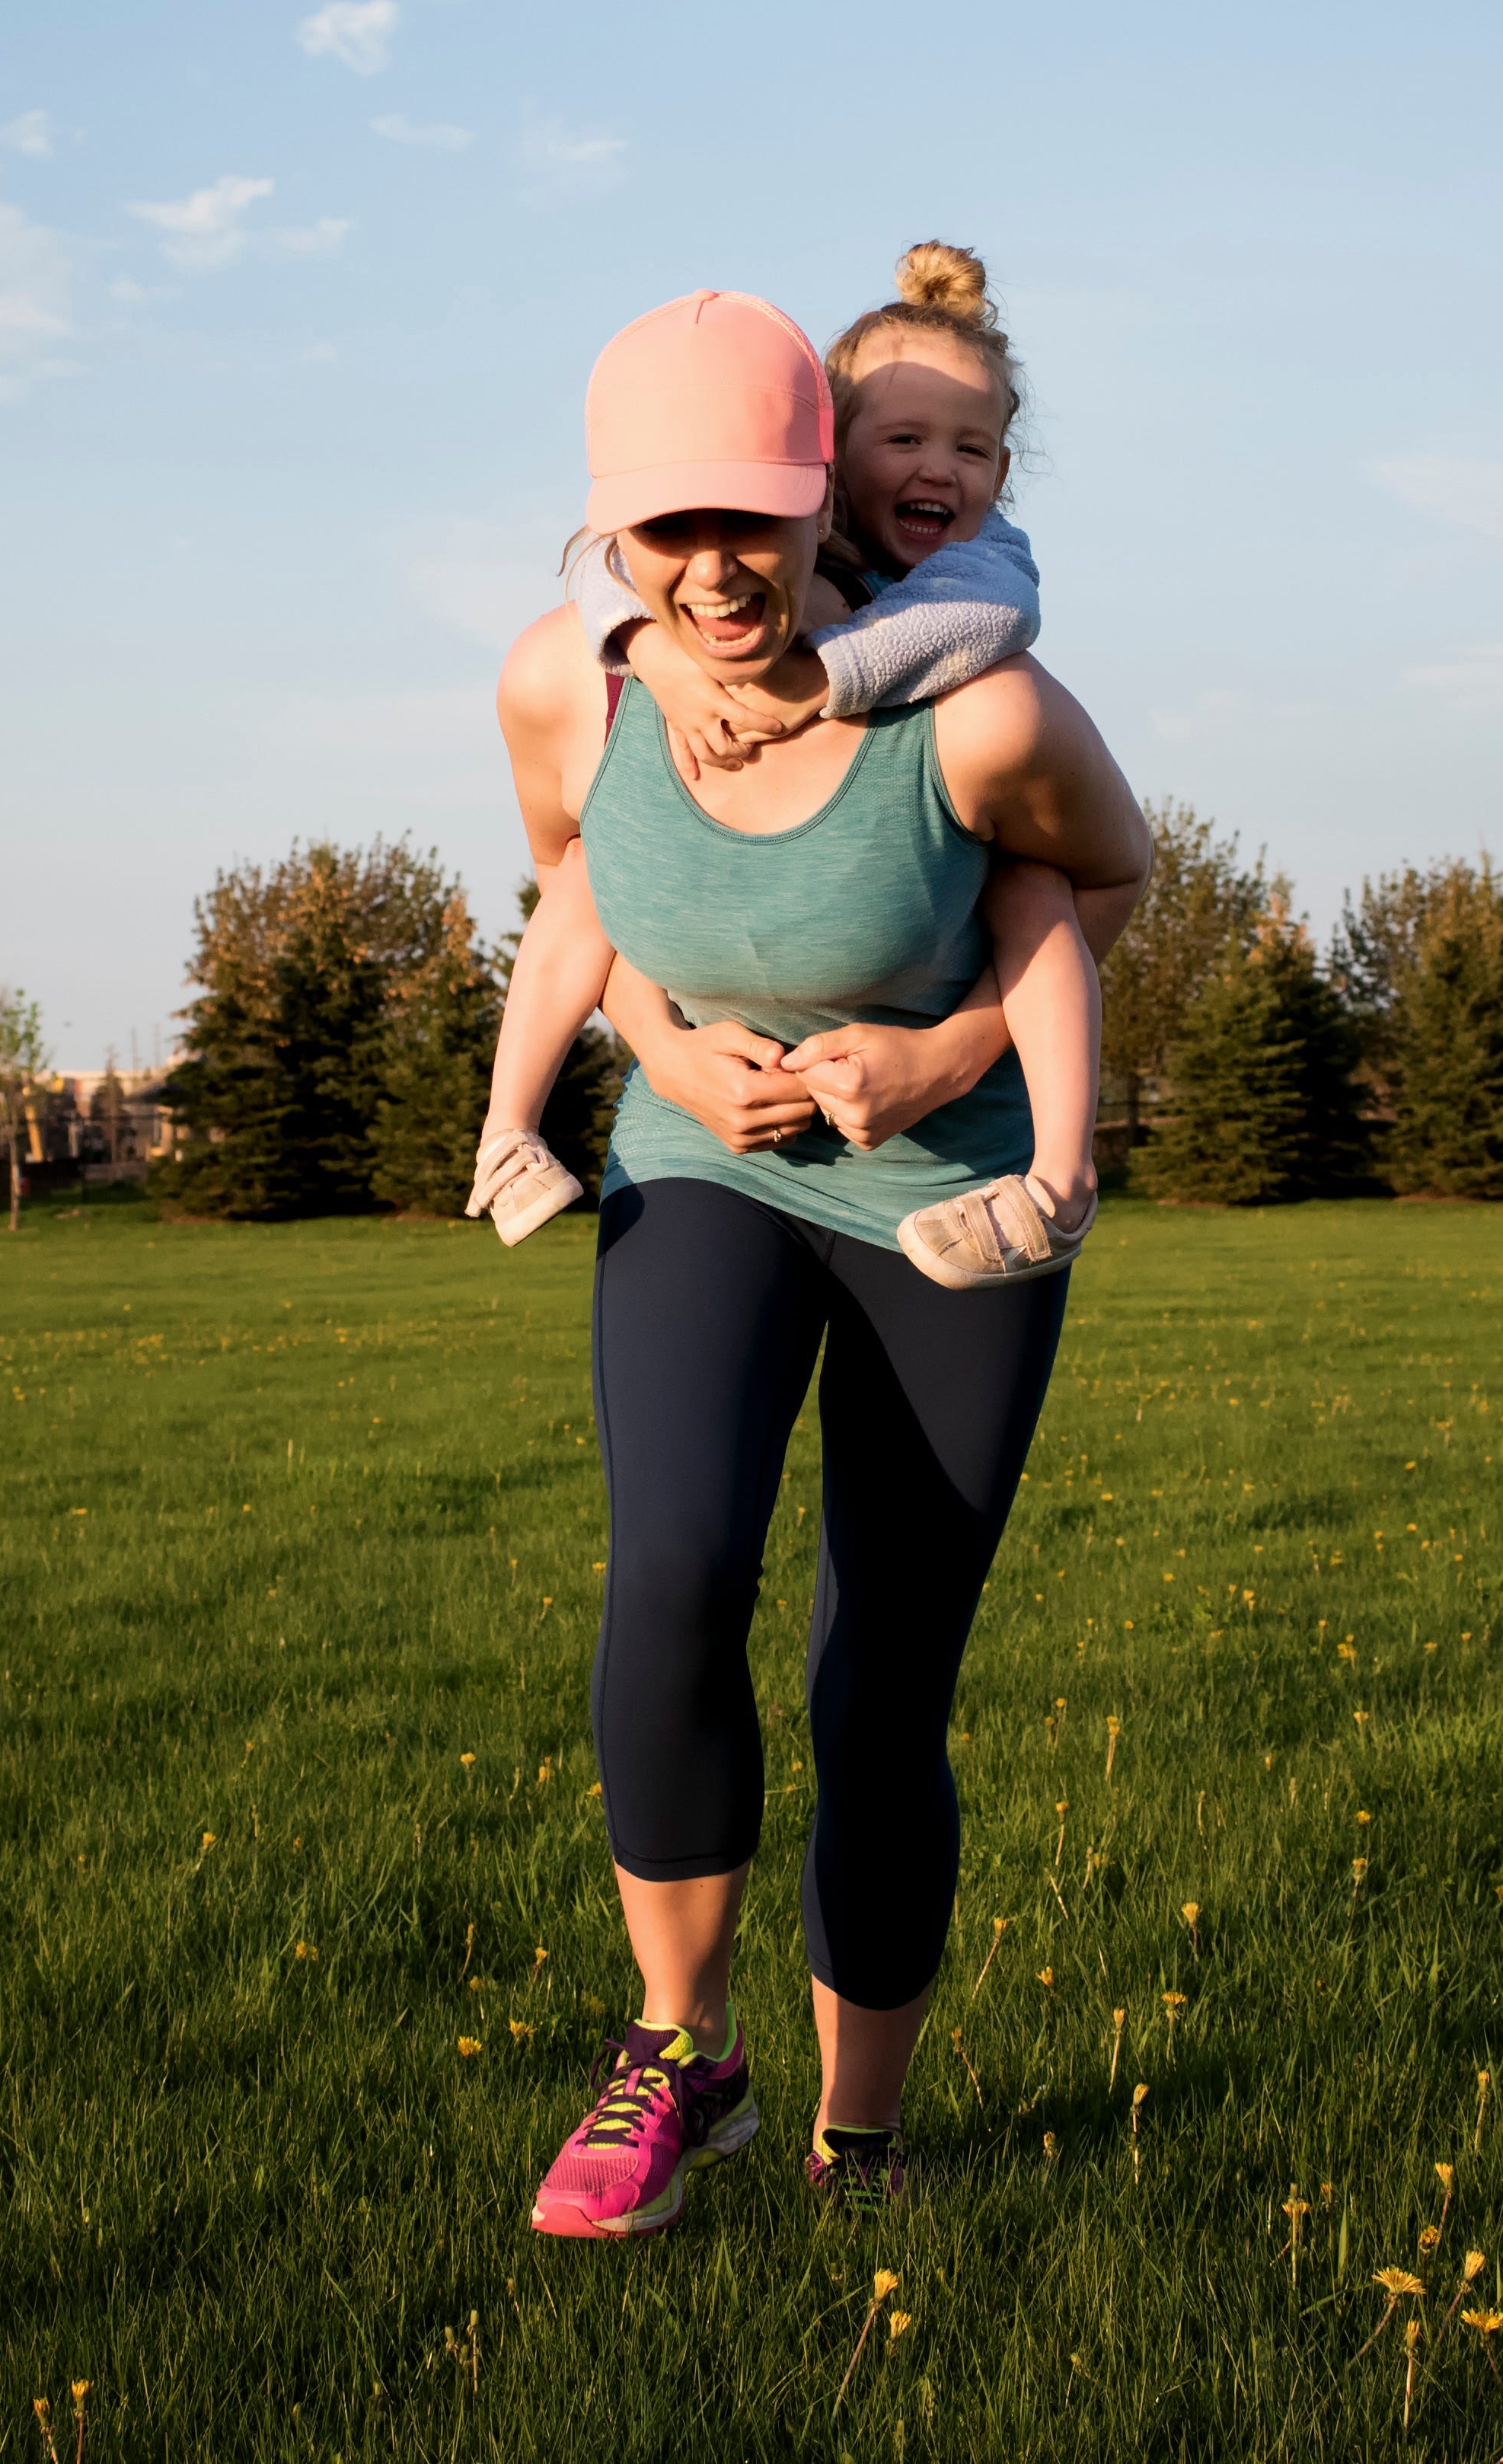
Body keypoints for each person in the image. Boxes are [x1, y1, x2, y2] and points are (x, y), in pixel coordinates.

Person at [493, 286, 1144, 2236]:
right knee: (676, 1567)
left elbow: (1104, 873)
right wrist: (659, 1046)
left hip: (943, 1198)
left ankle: (859, 2131)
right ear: (611, 531)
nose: (711, 572)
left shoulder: (981, 702)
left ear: (812, 503)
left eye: (748, 525)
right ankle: (676, 2055)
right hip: (707, 1165)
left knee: (881, 1680)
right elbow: (579, 884)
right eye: (665, 530)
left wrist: (950, 1055)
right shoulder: (569, 680)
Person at [469, 245, 1131, 1290]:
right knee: (601, 859)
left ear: (1002, 474)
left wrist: (815, 683)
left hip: (947, 1147)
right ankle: (508, 1128)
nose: (937, 469)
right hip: (712, 1154)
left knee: (1029, 884)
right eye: (903, 438)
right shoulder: (657, 624)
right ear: (831, 459)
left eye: (971, 448)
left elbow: (989, 621)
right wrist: (655, 660)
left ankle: (1062, 1178)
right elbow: (597, 566)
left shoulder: (974, 583)